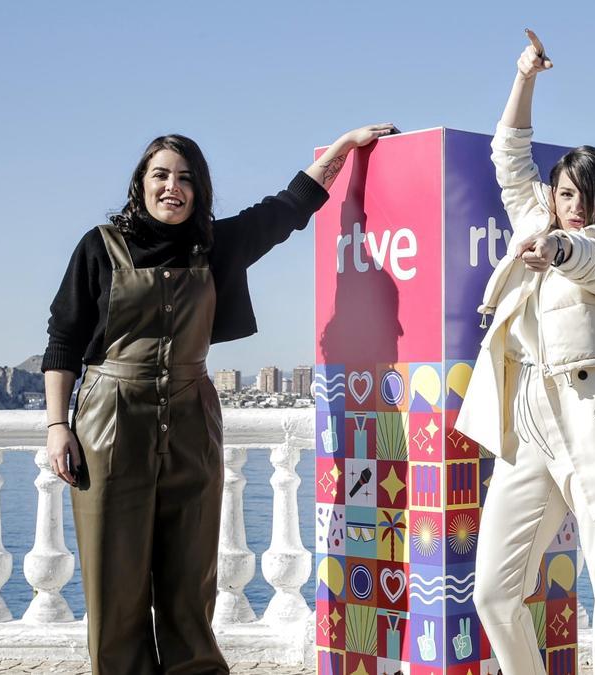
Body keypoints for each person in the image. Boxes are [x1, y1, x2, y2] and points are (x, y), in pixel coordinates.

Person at [42, 124, 394, 674]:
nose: (171, 187)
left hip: (191, 418)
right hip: (110, 420)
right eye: (160, 175)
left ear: (199, 190)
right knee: (115, 581)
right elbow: (63, 338)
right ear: (141, 184)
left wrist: (345, 148)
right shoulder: (101, 246)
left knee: (191, 575)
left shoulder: (216, 246)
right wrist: (57, 427)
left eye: (185, 178)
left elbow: (288, 207)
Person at [454, 30, 595, 675]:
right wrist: (525, 77)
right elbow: (508, 156)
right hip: (530, 425)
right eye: (564, 194)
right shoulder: (536, 225)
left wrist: (564, 252)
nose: (572, 208)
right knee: (492, 591)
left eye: (585, 197)